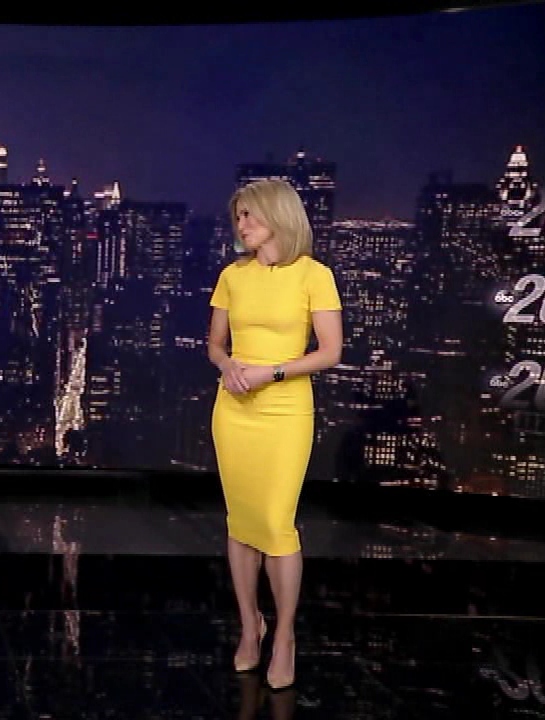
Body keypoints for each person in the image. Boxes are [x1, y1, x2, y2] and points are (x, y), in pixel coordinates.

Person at [207, 178, 342, 691]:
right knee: (242, 522)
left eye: (250, 215)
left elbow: (330, 352)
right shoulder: (232, 276)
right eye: (238, 216)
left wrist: (272, 372)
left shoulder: (314, 275)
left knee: (276, 524)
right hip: (233, 410)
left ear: (278, 215)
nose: (241, 224)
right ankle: (251, 626)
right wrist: (228, 366)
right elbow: (215, 345)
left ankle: (284, 636)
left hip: (285, 411)